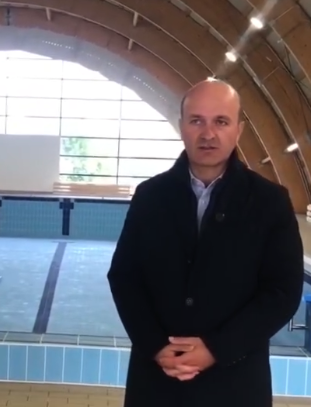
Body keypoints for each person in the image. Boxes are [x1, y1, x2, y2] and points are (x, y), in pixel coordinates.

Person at [107, 78, 304, 407]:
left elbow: (283, 292)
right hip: (157, 381)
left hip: (235, 383)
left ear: (238, 130)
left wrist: (217, 349)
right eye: (197, 120)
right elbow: (124, 277)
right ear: (182, 126)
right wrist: (155, 346)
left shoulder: (269, 202)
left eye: (221, 121)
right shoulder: (150, 196)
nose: (208, 133)